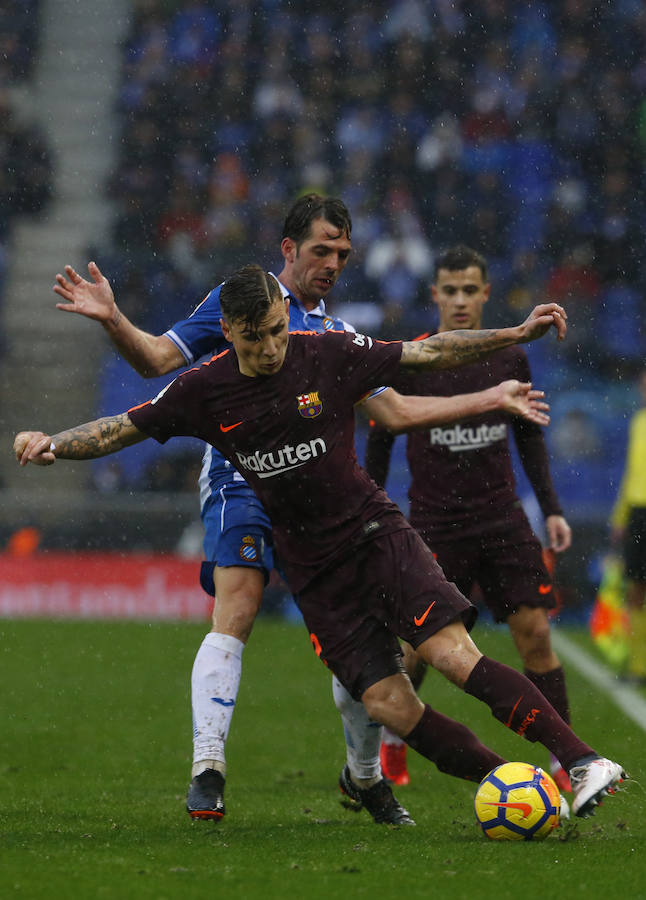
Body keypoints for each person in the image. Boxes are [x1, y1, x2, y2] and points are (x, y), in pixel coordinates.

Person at [16, 264, 626, 820]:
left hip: (374, 536)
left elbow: (426, 352)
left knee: (452, 657)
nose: (272, 347)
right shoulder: (205, 390)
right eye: (256, 337)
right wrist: (54, 444)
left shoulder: (327, 351)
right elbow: (123, 427)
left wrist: (514, 335)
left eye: (278, 331)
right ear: (226, 330)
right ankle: (512, 786)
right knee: (391, 703)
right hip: (313, 572)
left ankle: (581, 761)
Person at [364, 245, 574, 792]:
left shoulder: (509, 359)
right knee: (417, 650)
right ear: (434, 295)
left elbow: (530, 435)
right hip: (433, 526)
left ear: (485, 293)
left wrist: (551, 508)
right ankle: (392, 746)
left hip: (502, 520)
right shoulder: (412, 359)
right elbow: (382, 439)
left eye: (469, 290)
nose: (459, 300)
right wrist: (370, 513)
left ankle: (565, 762)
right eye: (449, 290)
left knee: (534, 631)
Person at [610, 368, 646, 685]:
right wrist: (620, 516)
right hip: (638, 511)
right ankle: (638, 667)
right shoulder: (638, 422)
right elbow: (631, 472)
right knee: (635, 589)